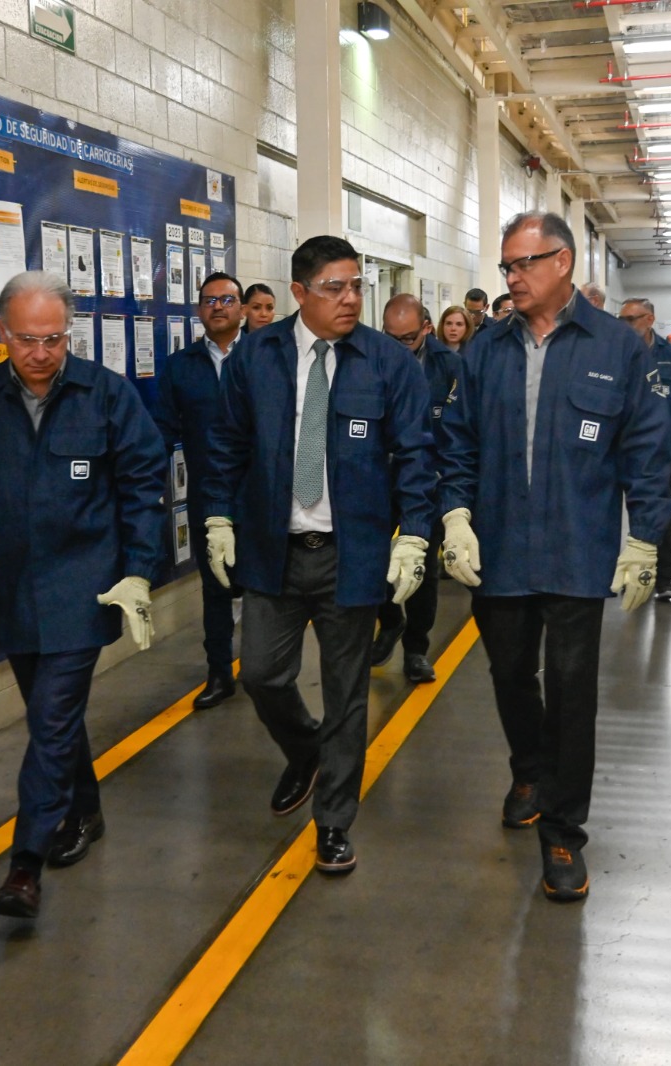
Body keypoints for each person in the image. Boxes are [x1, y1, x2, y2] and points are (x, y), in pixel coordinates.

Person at [439, 212, 671, 902]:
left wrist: (645, 537)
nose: (511, 278)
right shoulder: (485, 350)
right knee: (510, 674)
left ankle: (564, 830)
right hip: (501, 549)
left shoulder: (616, 346)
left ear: (562, 262)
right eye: (506, 267)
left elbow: (648, 449)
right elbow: (458, 441)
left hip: (577, 549)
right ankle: (529, 770)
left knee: (572, 692)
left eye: (523, 263)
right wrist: (455, 514)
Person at [0, 271, 168, 920]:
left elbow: (144, 488)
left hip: (84, 590)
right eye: (27, 339)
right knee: (51, 718)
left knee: (52, 720)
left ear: (68, 333)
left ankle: (25, 863)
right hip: (9, 590)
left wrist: (139, 571)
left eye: (54, 339)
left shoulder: (105, 395)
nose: (41, 352)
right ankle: (85, 810)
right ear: (1, 333)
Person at [201, 236, 436, 875]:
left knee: (347, 694)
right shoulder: (256, 357)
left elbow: (417, 454)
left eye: (357, 285)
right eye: (335, 287)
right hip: (273, 551)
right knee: (261, 675)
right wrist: (218, 515)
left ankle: (333, 821)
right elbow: (225, 444)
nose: (351, 298)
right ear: (300, 292)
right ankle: (306, 750)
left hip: (351, 555)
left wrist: (415, 534)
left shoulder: (388, 363)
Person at [153, 271, 245, 710]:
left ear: (241, 308)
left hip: (261, 494)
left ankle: (263, 668)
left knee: (263, 585)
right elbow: (161, 430)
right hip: (208, 495)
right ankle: (220, 671)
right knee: (216, 586)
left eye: (227, 299)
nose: (218, 307)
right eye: (210, 300)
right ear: (198, 309)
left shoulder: (265, 358)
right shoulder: (180, 366)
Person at [372, 293, 462, 683]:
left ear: (426, 328)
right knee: (370, 558)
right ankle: (390, 620)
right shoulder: (368, 359)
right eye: (390, 337)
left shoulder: (449, 366)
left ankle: (416, 649)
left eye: (407, 339)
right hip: (380, 477)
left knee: (423, 567)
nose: (399, 347)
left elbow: (459, 429)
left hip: (428, 479)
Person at [619, 299, 671, 602]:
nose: (625, 326)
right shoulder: (614, 354)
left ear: (649, 319)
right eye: (622, 320)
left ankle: (662, 579)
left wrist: (662, 428)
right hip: (620, 447)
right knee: (618, 511)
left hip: (659, 451)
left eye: (631, 319)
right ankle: (629, 573)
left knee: (658, 511)